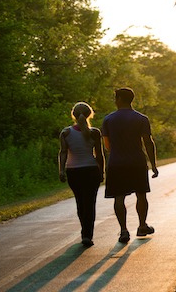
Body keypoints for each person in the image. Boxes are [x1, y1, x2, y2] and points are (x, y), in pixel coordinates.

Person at [102, 87, 159, 243]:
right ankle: (142, 226)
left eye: (115, 98)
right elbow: (148, 142)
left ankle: (124, 231)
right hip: (137, 162)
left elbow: (107, 146)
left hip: (116, 163)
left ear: (119, 99)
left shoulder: (108, 120)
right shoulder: (141, 119)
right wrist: (153, 164)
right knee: (141, 194)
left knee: (119, 197)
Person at [58, 102, 105, 247]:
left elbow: (63, 152)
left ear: (73, 115)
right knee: (90, 203)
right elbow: (99, 155)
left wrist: (61, 170)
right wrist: (102, 171)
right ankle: (87, 235)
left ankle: (84, 232)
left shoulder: (66, 133)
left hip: (73, 171)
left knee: (80, 202)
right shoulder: (94, 132)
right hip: (91, 170)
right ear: (90, 114)